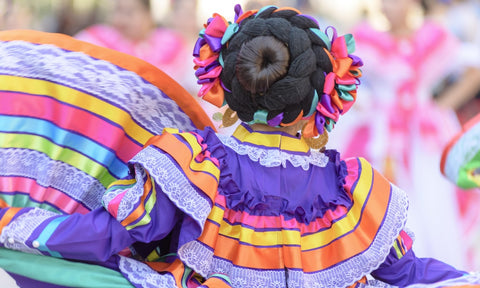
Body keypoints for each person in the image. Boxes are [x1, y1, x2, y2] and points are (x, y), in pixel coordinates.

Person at [1, 4, 480, 288]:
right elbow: (412, 272)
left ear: (224, 89)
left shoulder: (190, 167)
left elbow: (105, 237)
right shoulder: (353, 192)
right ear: (321, 101)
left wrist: (15, 223)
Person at [329, 0, 472, 269]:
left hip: (425, 137)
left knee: (432, 196)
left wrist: (439, 106)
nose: (389, 5)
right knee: (381, 197)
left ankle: (433, 265)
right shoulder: (366, 40)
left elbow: (472, 68)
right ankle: (387, 266)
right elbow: (336, 73)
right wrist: (360, 103)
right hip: (380, 136)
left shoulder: (434, 38)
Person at [75, 0, 192, 89]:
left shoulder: (172, 45)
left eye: (129, 13)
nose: (120, 19)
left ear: (148, 16)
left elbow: (192, 87)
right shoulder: (96, 40)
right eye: (117, 11)